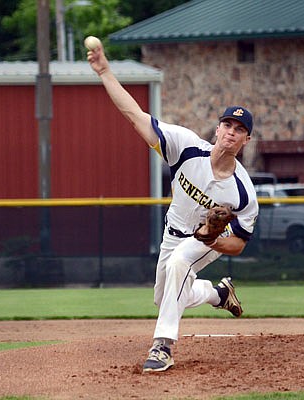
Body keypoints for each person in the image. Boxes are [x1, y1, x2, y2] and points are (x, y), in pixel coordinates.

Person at [87, 43, 259, 372]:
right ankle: (218, 294)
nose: (231, 132)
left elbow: (238, 243)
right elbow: (134, 115)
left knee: (182, 261)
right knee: (165, 296)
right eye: (227, 125)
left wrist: (212, 240)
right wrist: (105, 72)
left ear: (245, 141)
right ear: (218, 128)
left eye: (240, 130)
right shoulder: (185, 146)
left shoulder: (243, 193)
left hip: (204, 241)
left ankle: (163, 346)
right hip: (172, 232)